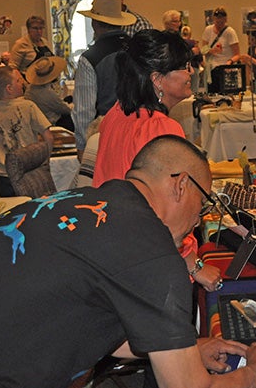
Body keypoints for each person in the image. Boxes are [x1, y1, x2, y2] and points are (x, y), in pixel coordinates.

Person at [0, 134, 256, 388]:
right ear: (181, 185)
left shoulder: (82, 200)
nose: (200, 216)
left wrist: (184, 349)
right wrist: (255, 371)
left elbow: (87, 319)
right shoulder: (151, 248)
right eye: (204, 202)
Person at [93, 29, 221, 292]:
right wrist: (194, 265)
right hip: (155, 266)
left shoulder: (115, 115)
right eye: (184, 67)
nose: (192, 73)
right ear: (158, 79)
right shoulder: (163, 131)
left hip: (116, 254)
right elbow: (168, 218)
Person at [72, 0, 136, 159]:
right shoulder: (138, 49)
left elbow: (84, 110)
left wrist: (82, 146)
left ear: (95, 23)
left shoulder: (91, 58)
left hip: (107, 135)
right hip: (140, 130)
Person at [0, 66, 53, 196]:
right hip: (27, 171)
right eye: (19, 81)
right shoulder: (29, 106)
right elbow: (48, 136)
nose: (23, 83)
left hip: (4, 174)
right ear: (9, 88)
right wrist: (45, 158)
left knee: (12, 209)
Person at [24, 56, 74, 131]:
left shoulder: (30, 89)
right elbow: (65, 109)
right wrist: (74, 105)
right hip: (51, 122)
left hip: (38, 119)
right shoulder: (47, 92)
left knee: (69, 98)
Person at [200, 7, 241, 83]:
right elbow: (203, 50)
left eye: (222, 23)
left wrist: (229, 62)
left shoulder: (230, 32)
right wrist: (211, 51)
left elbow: (237, 55)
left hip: (226, 68)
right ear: (213, 19)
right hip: (212, 68)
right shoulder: (208, 30)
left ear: (225, 20)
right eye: (217, 22)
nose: (219, 25)